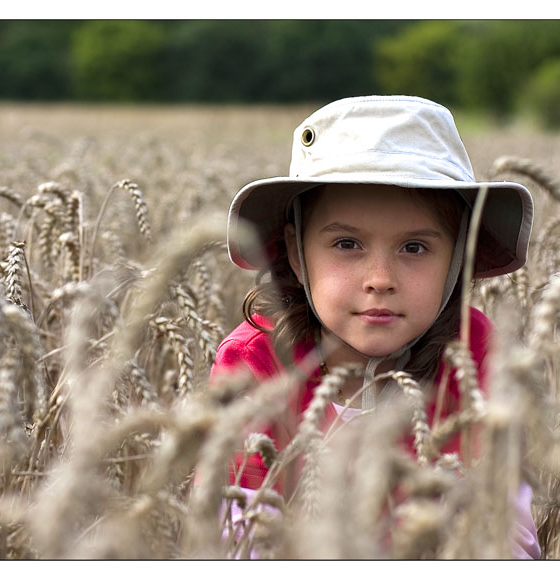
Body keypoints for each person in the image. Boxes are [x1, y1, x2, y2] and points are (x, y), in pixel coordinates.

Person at [212, 95, 540, 559]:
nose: (380, 279)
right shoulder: (254, 363)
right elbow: (240, 539)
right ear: (295, 253)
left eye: (414, 248)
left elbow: (511, 539)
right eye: (347, 244)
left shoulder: (478, 355)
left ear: (457, 257)